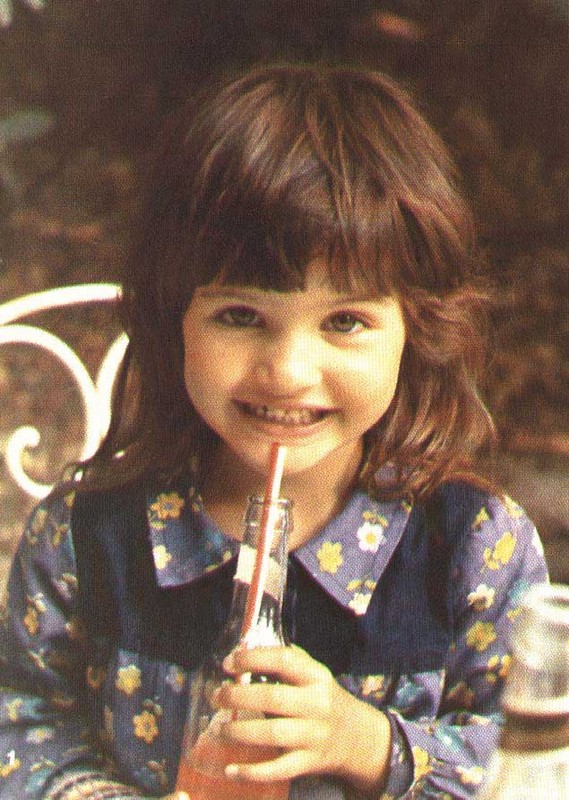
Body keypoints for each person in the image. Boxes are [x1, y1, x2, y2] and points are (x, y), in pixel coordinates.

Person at [0, 63, 548, 800]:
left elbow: (534, 758)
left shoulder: (476, 550)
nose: (288, 372)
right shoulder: (84, 534)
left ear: (417, 331)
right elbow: (19, 719)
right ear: (172, 319)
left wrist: (368, 744)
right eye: (240, 316)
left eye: (345, 321)